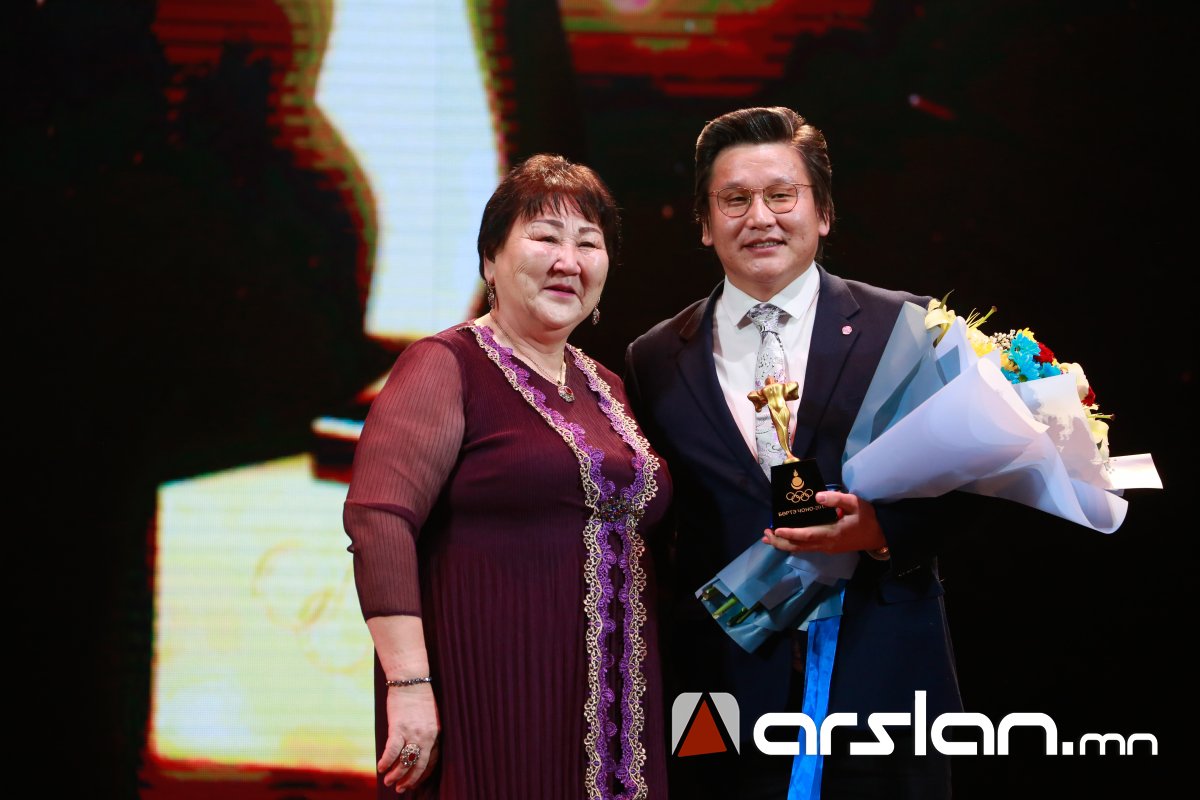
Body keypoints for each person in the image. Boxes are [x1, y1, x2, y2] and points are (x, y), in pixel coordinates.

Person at [624, 107, 963, 799]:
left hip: (879, 669)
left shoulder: (906, 327)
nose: (760, 218)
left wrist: (882, 530)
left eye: (782, 195)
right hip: (720, 683)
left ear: (824, 212)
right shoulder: (654, 358)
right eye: (734, 200)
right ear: (704, 222)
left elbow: (975, 487)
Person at [343, 154, 673, 799]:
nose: (568, 261)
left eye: (589, 243)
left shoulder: (607, 386)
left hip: (619, 708)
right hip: (491, 697)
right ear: (490, 260)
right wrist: (408, 686)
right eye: (545, 237)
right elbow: (378, 519)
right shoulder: (445, 364)